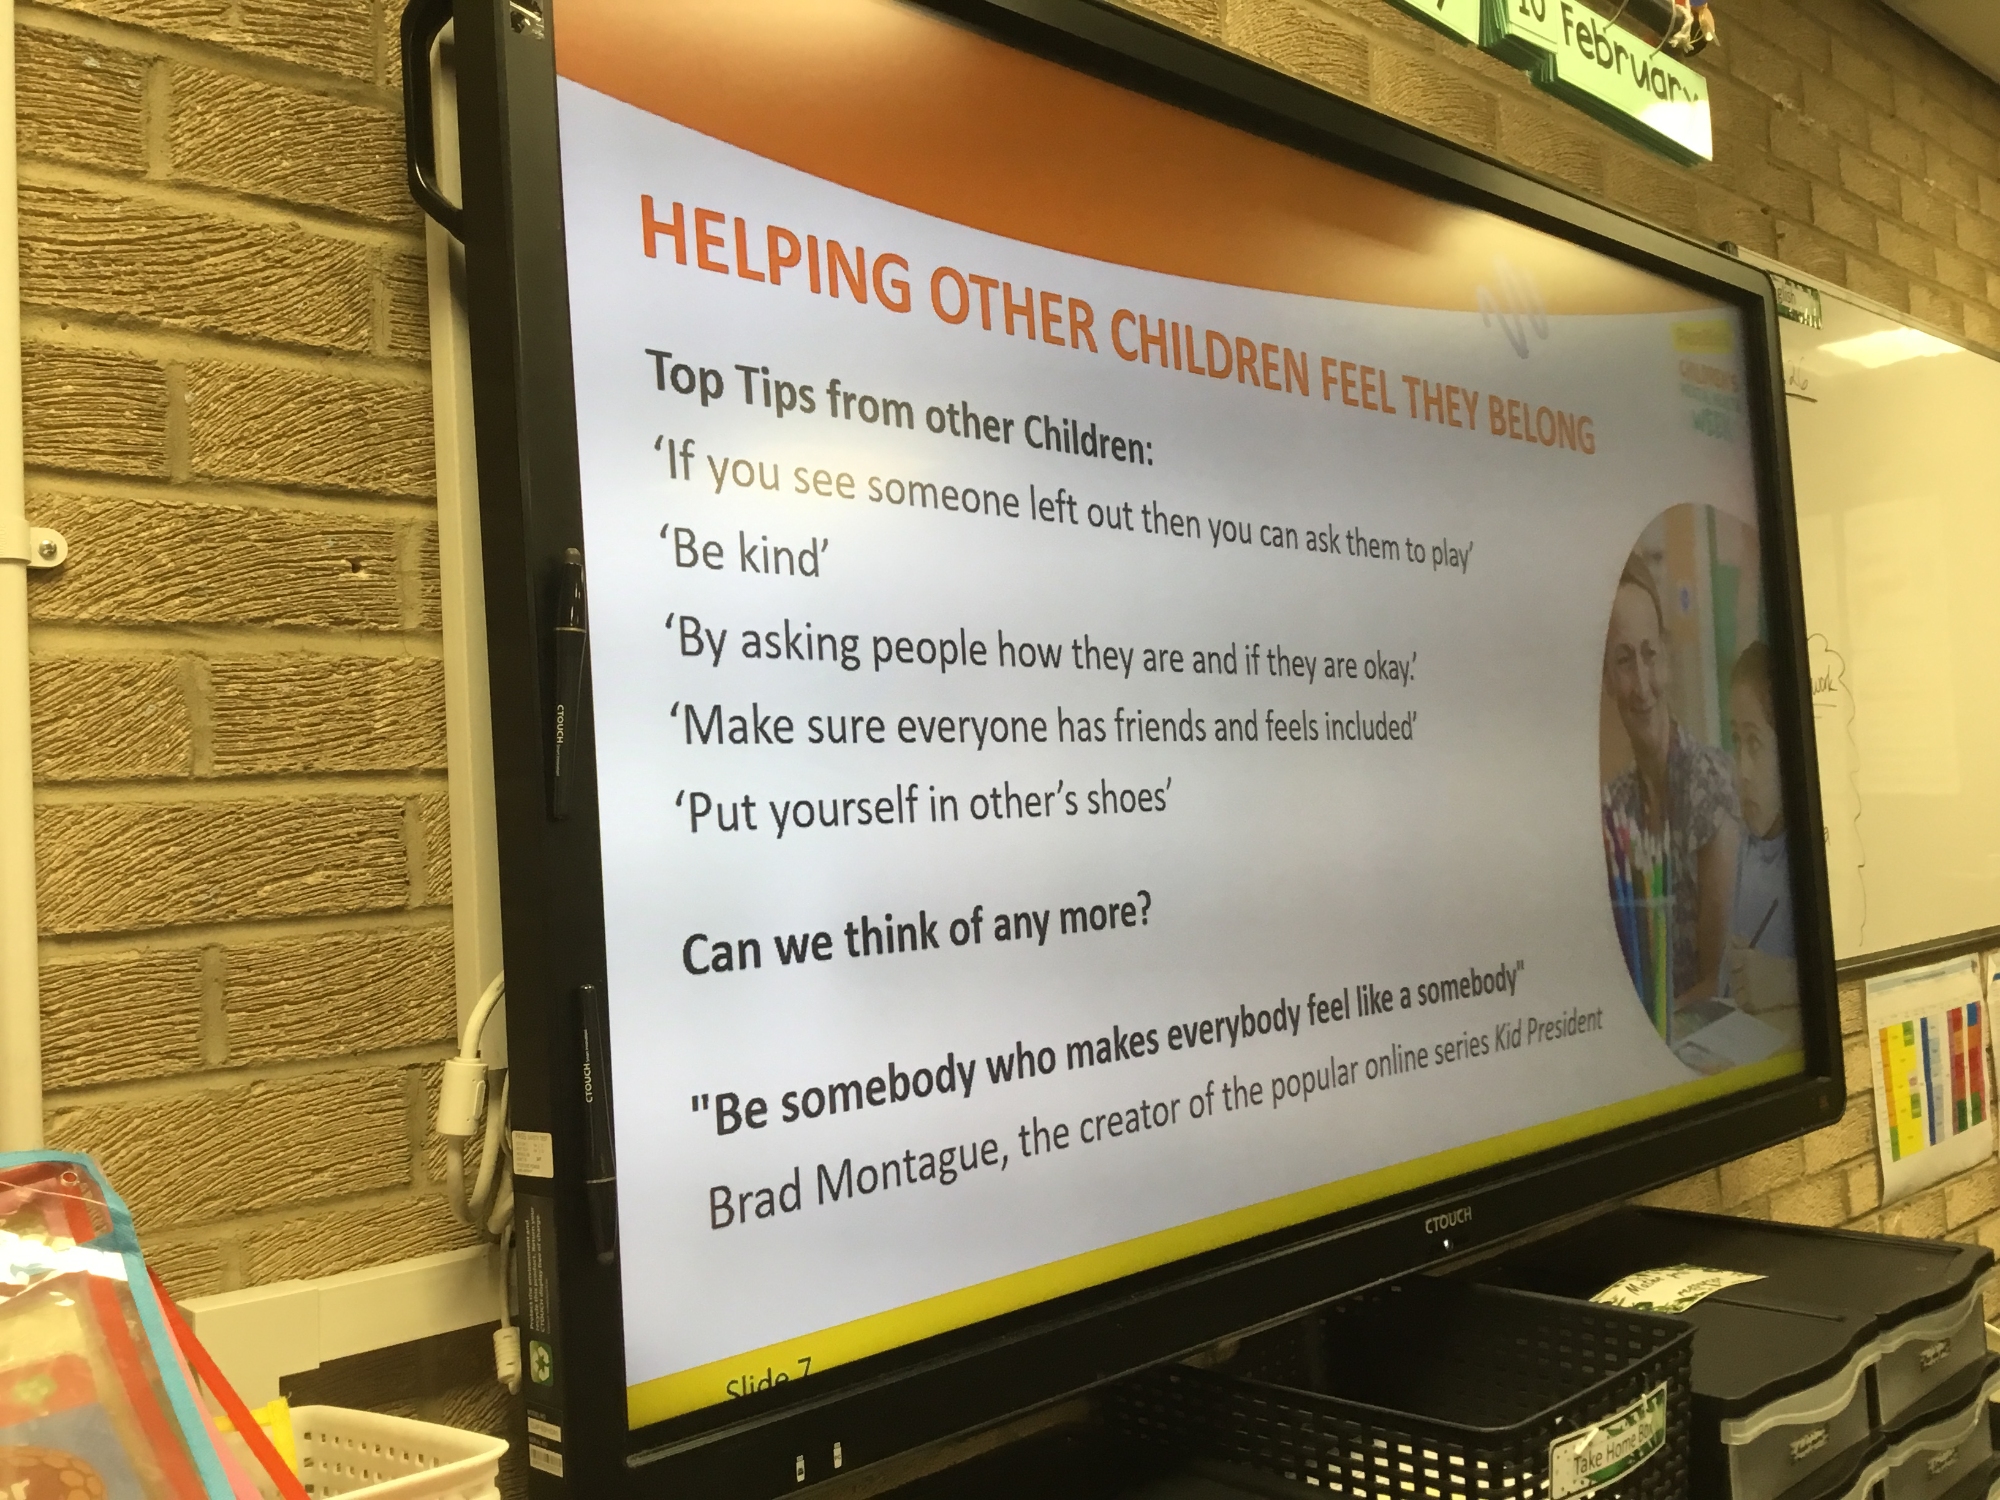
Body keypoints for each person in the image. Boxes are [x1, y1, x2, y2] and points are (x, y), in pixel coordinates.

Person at [1601, 555, 1739, 1007]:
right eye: (1624, 661)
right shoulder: (1613, 809)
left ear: (1667, 659)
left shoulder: (1708, 784)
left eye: (1649, 655)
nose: (1642, 685)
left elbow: (1717, 984)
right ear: (1606, 678)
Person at [1722, 641, 1799, 1038]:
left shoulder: (1808, 852)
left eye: (1755, 743)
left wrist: (1784, 980)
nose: (1742, 771)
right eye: (1737, 742)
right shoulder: (1745, 844)